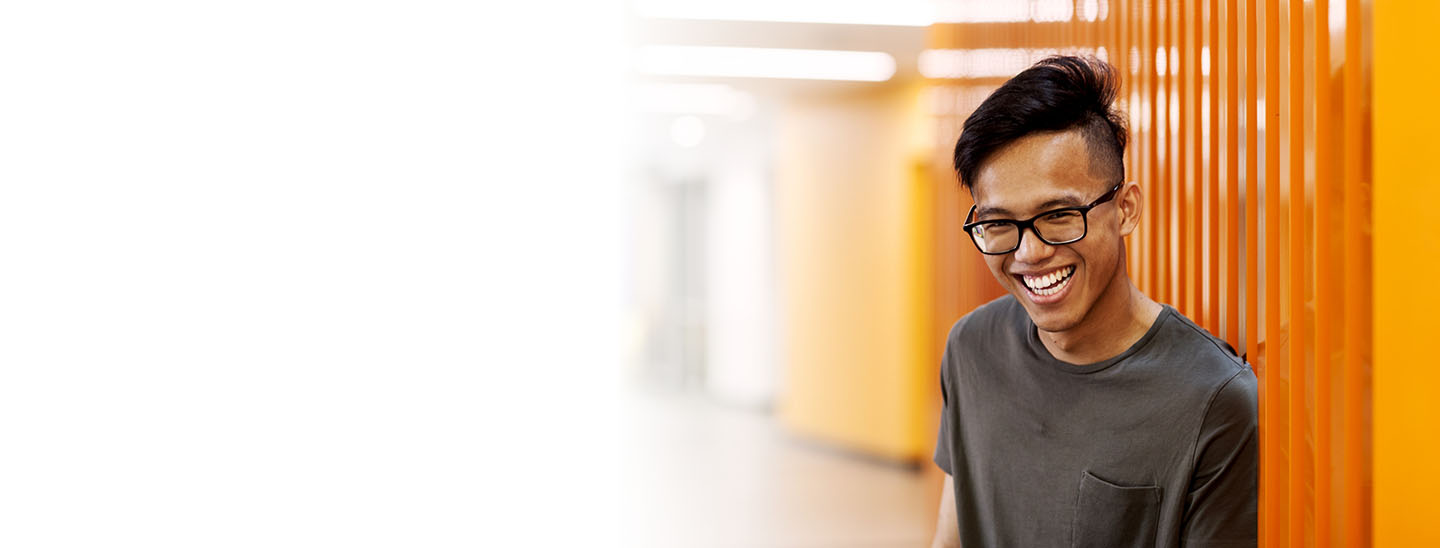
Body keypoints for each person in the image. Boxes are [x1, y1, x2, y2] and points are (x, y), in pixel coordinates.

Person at [929, 56, 1257, 548]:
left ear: (1125, 209)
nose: (1030, 253)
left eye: (1059, 214)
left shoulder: (1215, 400)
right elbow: (952, 533)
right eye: (999, 224)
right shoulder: (971, 348)